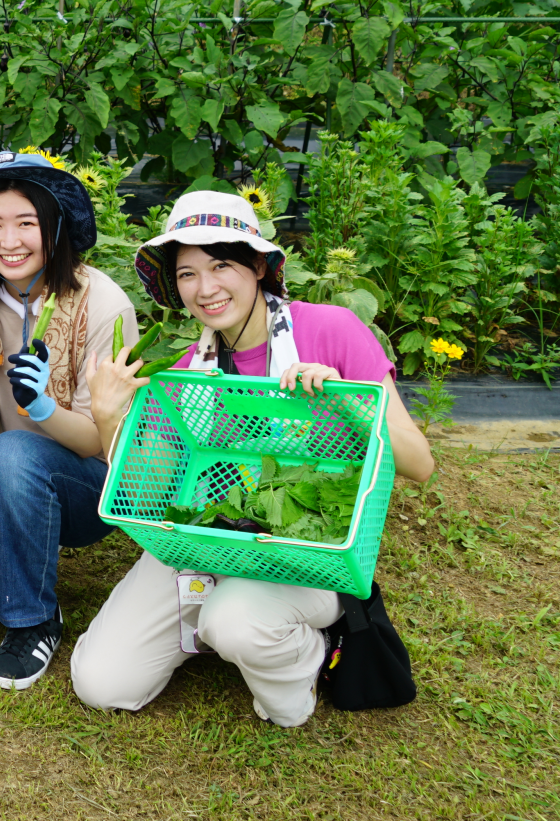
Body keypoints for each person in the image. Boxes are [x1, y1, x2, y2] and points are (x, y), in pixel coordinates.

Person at [74, 189, 436, 726]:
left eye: (221, 265)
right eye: (188, 273)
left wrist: (348, 400)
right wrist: (109, 418)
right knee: (101, 683)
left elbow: (419, 464)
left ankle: (305, 658)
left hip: (310, 554)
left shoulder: (329, 330)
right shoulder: (189, 370)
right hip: (210, 544)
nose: (205, 289)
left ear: (260, 267)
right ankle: (231, 625)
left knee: (234, 621)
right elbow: (147, 494)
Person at [0, 152, 138, 690]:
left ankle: (33, 620)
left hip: (89, 481)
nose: (9, 241)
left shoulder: (103, 303)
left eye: (27, 223)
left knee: (14, 451)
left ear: (55, 228)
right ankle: (28, 547)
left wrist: (40, 407)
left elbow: (99, 443)